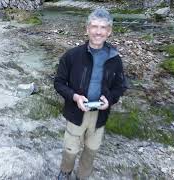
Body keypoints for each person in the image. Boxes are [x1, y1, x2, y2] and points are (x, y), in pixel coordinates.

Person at [54, 8, 127, 180]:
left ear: (109, 32)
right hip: (75, 111)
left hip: (100, 114)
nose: (98, 31)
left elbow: (120, 86)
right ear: (87, 29)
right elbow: (58, 82)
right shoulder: (71, 55)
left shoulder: (115, 58)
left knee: (91, 150)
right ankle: (65, 172)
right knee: (70, 150)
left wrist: (109, 99)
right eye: (94, 26)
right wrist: (75, 97)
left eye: (103, 27)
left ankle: (82, 176)